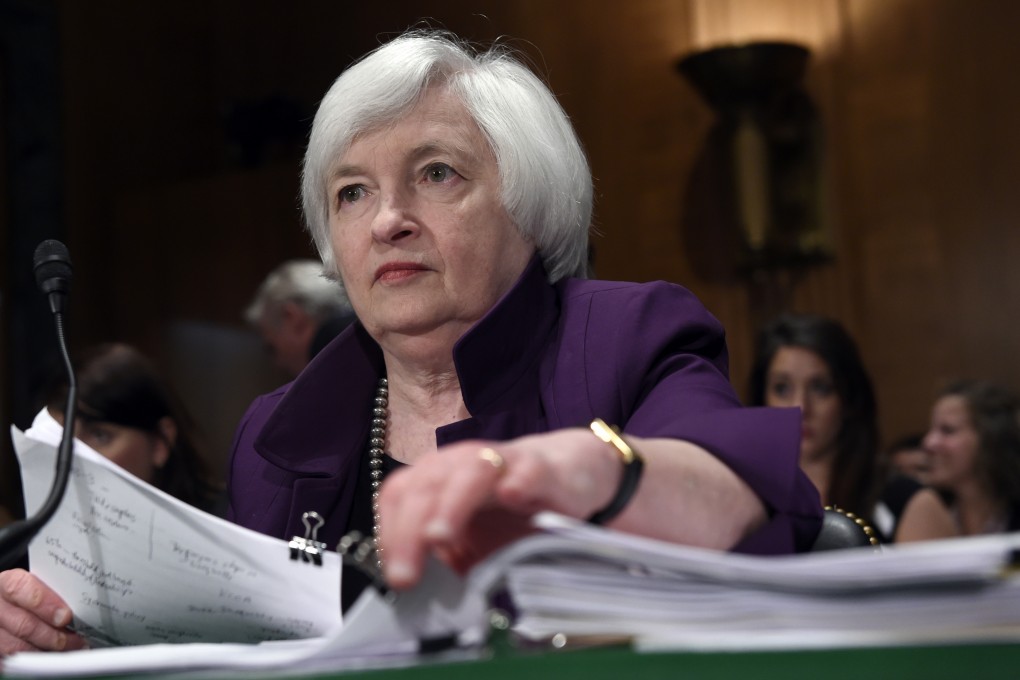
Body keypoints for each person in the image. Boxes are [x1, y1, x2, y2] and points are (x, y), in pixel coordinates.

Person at [0, 31, 822, 655]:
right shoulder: (281, 431)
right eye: (353, 192)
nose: (387, 218)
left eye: (437, 173)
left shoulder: (624, 336)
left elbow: (737, 493)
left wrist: (588, 468)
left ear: (530, 206)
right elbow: (246, 651)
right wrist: (75, 638)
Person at [748, 313, 956, 543]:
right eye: (782, 388)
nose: (801, 407)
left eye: (820, 388)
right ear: (761, 399)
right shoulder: (746, 498)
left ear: (848, 399)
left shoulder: (906, 501)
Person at [923, 379, 1020, 535]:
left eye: (947, 430)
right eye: (932, 430)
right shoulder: (923, 515)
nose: (928, 443)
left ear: (991, 438)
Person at [244, 259, 356, 377]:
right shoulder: (367, 344)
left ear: (293, 318)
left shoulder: (331, 379)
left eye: (272, 349)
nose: (277, 364)